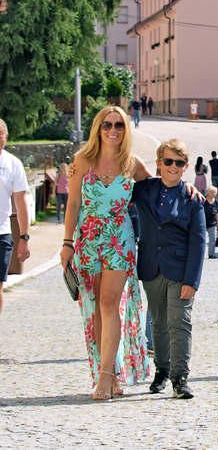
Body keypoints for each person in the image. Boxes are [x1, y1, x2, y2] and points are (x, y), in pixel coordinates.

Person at [60, 106, 154, 399]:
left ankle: (104, 378)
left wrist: (192, 191)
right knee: (97, 307)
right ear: (98, 129)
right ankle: (109, 371)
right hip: (87, 239)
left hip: (120, 240)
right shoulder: (82, 161)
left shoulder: (132, 164)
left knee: (111, 301)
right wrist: (67, 243)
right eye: (106, 125)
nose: (113, 130)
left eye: (119, 125)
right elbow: (73, 203)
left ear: (126, 130)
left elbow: (157, 190)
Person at [131, 139, 206, 398]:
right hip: (151, 267)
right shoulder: (143, 190)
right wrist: (78, 169)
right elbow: (116, 166)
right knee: (158, 323)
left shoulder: (193, 199)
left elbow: (199, 242)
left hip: (181, 270)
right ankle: (161, 370)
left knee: (180, 322)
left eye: (179, 163)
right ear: (158, 163)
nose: (173, 166)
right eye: (168, 161)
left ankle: (180, 377)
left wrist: (192, 280)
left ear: (185, 167)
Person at [0, 119, 31, 331]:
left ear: (6, 137)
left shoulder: (13, 164)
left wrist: (24, 238)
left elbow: (21, 204)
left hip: (1, 234)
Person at [204, 186, 218, 259]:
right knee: (202, 238)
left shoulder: (215, 202)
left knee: (213, 238)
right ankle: (200, 253)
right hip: (203, 222)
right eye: (212, 192)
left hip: (212, 223)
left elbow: (217, 213)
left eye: (215, 193)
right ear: (208, 193)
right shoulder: (203, 200)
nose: (213, 194)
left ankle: (211, 254)